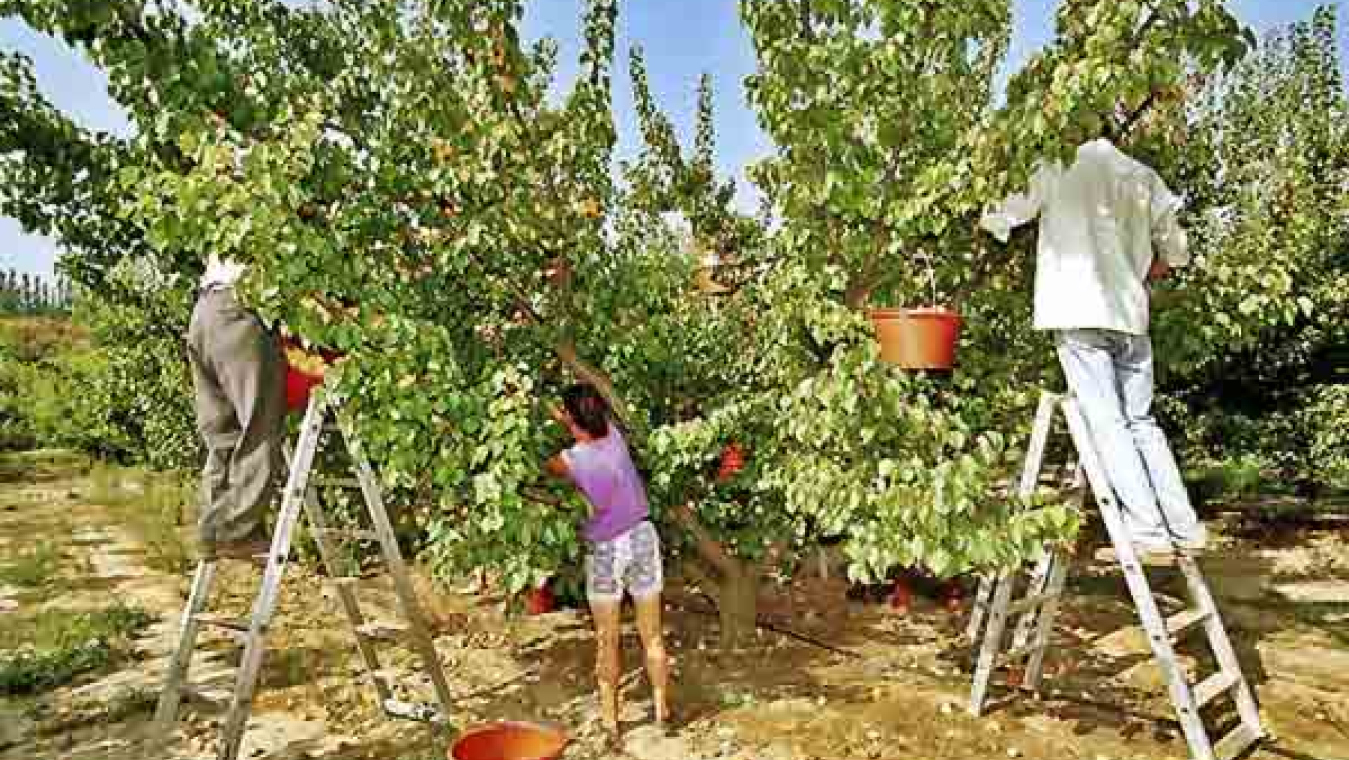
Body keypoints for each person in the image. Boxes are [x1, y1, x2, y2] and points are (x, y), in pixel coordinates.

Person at [980, 136, 1207, 553]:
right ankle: (1185, 527)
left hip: (1079, 312)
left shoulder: (1056, 165)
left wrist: (981, 200)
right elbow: (1176, 252)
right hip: (1130, 317)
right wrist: (1140, 266)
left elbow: (1001, 215)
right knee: (1141, 422)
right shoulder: (1143, 176)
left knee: (1108, 423)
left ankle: (1147, 529)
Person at [543, 384, 671, 742]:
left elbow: (550, 467)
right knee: (652, 635)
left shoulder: (571, 460)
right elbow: (591, 427)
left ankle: (611, 722)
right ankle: (662, 711)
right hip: (642, 536)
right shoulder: (615, 437)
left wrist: (558, 423)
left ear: (572, 419)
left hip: (606, 549)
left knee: (607, 639)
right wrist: (570, 419)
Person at [187, 254, 287, 561]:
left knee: (222, 433)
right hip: (239, 311)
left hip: (204, 312)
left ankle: (213, 531)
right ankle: (238, 531)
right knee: (259, 425)